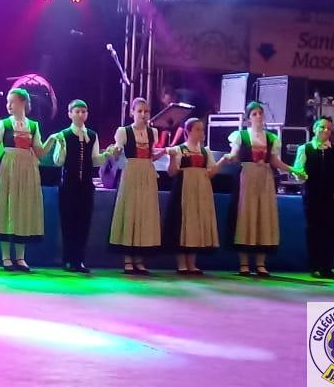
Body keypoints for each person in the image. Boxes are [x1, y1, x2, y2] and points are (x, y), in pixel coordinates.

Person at [0, 88, 57, 272]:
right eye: (7, 102)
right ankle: (6, 257)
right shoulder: (3, 124)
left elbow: (39, 152)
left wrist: (52, 140)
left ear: (22, 103)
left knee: (22, 210)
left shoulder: (33, 126)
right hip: (9, 168)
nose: (8, 105)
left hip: (27, 170)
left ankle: (21, 258)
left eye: (11, 101)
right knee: (6, 209)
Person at [224, 101, 304, 277]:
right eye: (254, 114)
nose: (259, 116)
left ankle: (260, 263)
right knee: (245, 217)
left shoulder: (271, 138)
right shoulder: (241, 136)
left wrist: (293, 169)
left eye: (260, 113)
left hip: (265, 179)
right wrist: (229, 157)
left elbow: (275, 161)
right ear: (248, 118)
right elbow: (234, 154)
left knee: (263, 217)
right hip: (247, 178)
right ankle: (244, 263)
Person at [51, 99, 115, 274]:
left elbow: (95, 161)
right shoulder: (64, 134)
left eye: (83, 111)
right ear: (70, 114)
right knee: (68, 223)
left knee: (83, 223)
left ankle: (79, 260)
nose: (80, 114)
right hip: (68, 185)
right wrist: (61, 147)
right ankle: (67, 259)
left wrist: (106, 154)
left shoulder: (92, 135)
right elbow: (58, 162)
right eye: (77, 111)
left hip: (86, 186)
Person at [293, 116, 334, 279]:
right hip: (312, 196)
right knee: (313, 230)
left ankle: (327, 267)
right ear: (314, 129)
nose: (326, 130)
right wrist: (300, 176)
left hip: (331, 197)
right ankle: (314, 266)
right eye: (322, 127)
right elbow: (298, 169)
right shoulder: (305, 148)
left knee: (330, 231)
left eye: (329, 128)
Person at [108, 97, 164, 275]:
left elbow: (150, 155)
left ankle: (140, 259)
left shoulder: (152, 132)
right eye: (139, 111)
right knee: (130, 212)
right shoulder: (124, 132)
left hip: (147, 173)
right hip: (131, 173)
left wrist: (162, 153)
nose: (143, 115)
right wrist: (115, 152)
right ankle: (128, 259)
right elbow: (117, 155)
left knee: (145, 214)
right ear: (132, 112)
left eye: (146, 111)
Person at [164, 117, 222, 275]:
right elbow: (172, 172)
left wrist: (223, 161)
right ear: (187, 132)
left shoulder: (205, 151)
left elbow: (210, 173)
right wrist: (171, 158)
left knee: (196, 224)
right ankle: (181, 263)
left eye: (202, 130)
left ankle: (191, 263)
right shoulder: (179, 150)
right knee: (182, 223)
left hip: (200, 192)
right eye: (197, 130)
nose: (201, 133)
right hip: (183, 190)